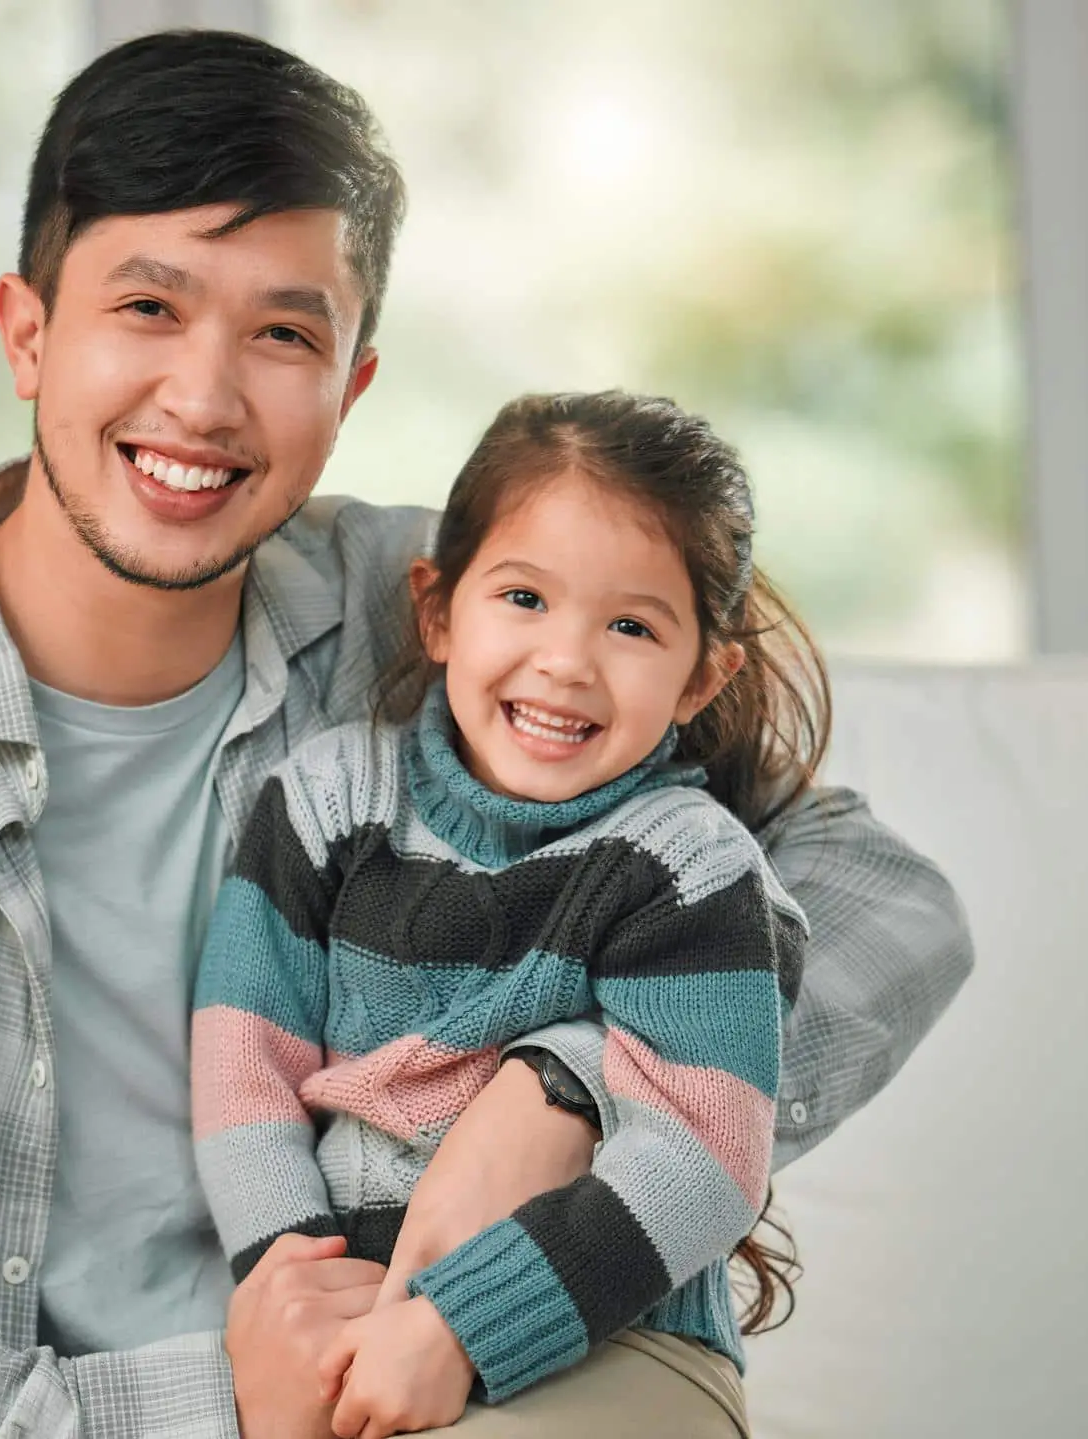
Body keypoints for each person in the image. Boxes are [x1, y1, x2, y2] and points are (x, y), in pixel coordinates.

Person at [0, 29, 974, 1439]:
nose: (203, 398)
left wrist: (575, 1086)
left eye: (281, 331)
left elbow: (890, 904)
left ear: (353, 385)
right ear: (27, 330)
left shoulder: (433, 616)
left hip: (438, 1394)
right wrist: (211, 1399)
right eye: (147, 304)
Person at [193, 391, 806, 1438]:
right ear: (437, 610)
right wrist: (293, 1288)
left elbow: (702, 1159)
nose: (565, 659)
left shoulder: (688, 865)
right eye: (523, 598)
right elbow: (245, 1066)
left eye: (629, 625)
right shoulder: (323, 803)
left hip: (614, 1337)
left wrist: (459, 1327)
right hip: (354, 1327)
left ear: (701, 675)